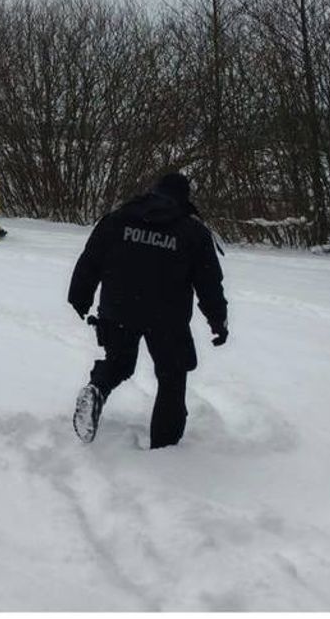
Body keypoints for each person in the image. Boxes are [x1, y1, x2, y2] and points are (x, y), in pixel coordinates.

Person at [67, 172, 228, 448]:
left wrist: (79, 297)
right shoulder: (193, 232)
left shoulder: (118, 219)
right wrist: (218, 320)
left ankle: (97, 389)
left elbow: (90, 260)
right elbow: (209, 282)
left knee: (118, 362)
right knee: (171, 377)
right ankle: (164, 450)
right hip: (168, 319)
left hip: (118, 310)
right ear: (184, 197)